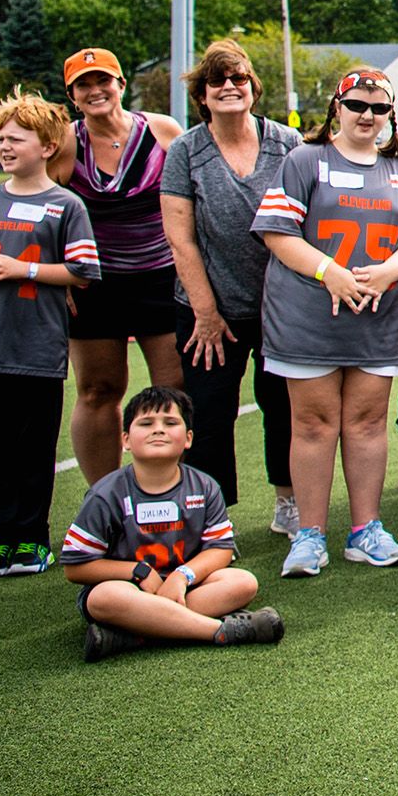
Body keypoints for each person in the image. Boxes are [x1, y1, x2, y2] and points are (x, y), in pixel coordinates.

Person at [255, 68, 398, 577]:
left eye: (379, 109)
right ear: (337, 107)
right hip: (308, 316)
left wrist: (385, 274)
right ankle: (309, 534)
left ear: (390, 115)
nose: (368, 116)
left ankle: (366, 529)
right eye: (358, 105)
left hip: (376, 317)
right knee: (312, 425)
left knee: (366, 423)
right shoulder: (304, 160)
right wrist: (328, 270)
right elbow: (277, 233)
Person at [0, 90, 100, 578]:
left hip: (36, 346)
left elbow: (82, 271)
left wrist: (22, 269)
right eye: (0, 138)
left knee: (33, 449)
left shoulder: (65, 206)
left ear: (48, 146)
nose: (5, 146)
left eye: (16, 138)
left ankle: (32, 539)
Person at [158, 39, 301, 519]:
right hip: (209, 306)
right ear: (202, 94)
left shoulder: (287, 143)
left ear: (253, 88)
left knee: (283, 405)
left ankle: (288, 501)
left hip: (279, 304)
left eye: (238, 77)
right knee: (210, 412)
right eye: (217, 80)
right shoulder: (186, 151)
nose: (229, 86)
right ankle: (213, 518)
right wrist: (205, 312)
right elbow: (181, 239)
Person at [59, 387, 283, 661]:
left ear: (188, 438)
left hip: (186, 586)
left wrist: (182, 576)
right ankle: (220, 630)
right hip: (129, 590)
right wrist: (137, 571)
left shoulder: (204, 487)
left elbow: (221, 550)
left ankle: (133, 635)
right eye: (146, 423)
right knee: (103, 598)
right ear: (126, 440)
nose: (158, 430)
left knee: (242, 582)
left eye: (170, 422)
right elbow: (75, 567)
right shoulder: (105, 495)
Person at [52, 46, 187, 484]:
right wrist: (62, 275)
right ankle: (104, 499)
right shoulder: (67, 143)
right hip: (96, 285)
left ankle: (171, 493)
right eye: (83, 85)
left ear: (121, 85)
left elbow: (192, 201)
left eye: (103, 81)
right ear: (72, 95)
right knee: (97, 391)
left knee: (174, 390)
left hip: (161, 278)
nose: (95, 91)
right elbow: (44, 206)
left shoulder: (162, 130)